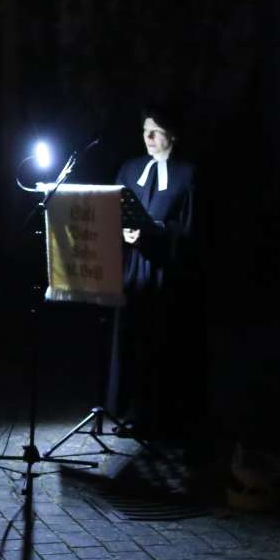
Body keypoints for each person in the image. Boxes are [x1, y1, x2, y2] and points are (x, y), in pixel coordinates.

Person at [108, 108, 206, 438]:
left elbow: (190, 228)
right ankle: (127, 410)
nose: (148, 138)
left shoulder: (187, 174)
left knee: (159, 340)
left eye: (156, 131)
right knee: (131, 338)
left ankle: (158, 415)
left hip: (165, 269)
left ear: (173, 134)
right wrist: (123, 231)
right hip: (132, 266)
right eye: (145, 131)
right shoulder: (131, 168)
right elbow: (113, 208)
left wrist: (156, 231)